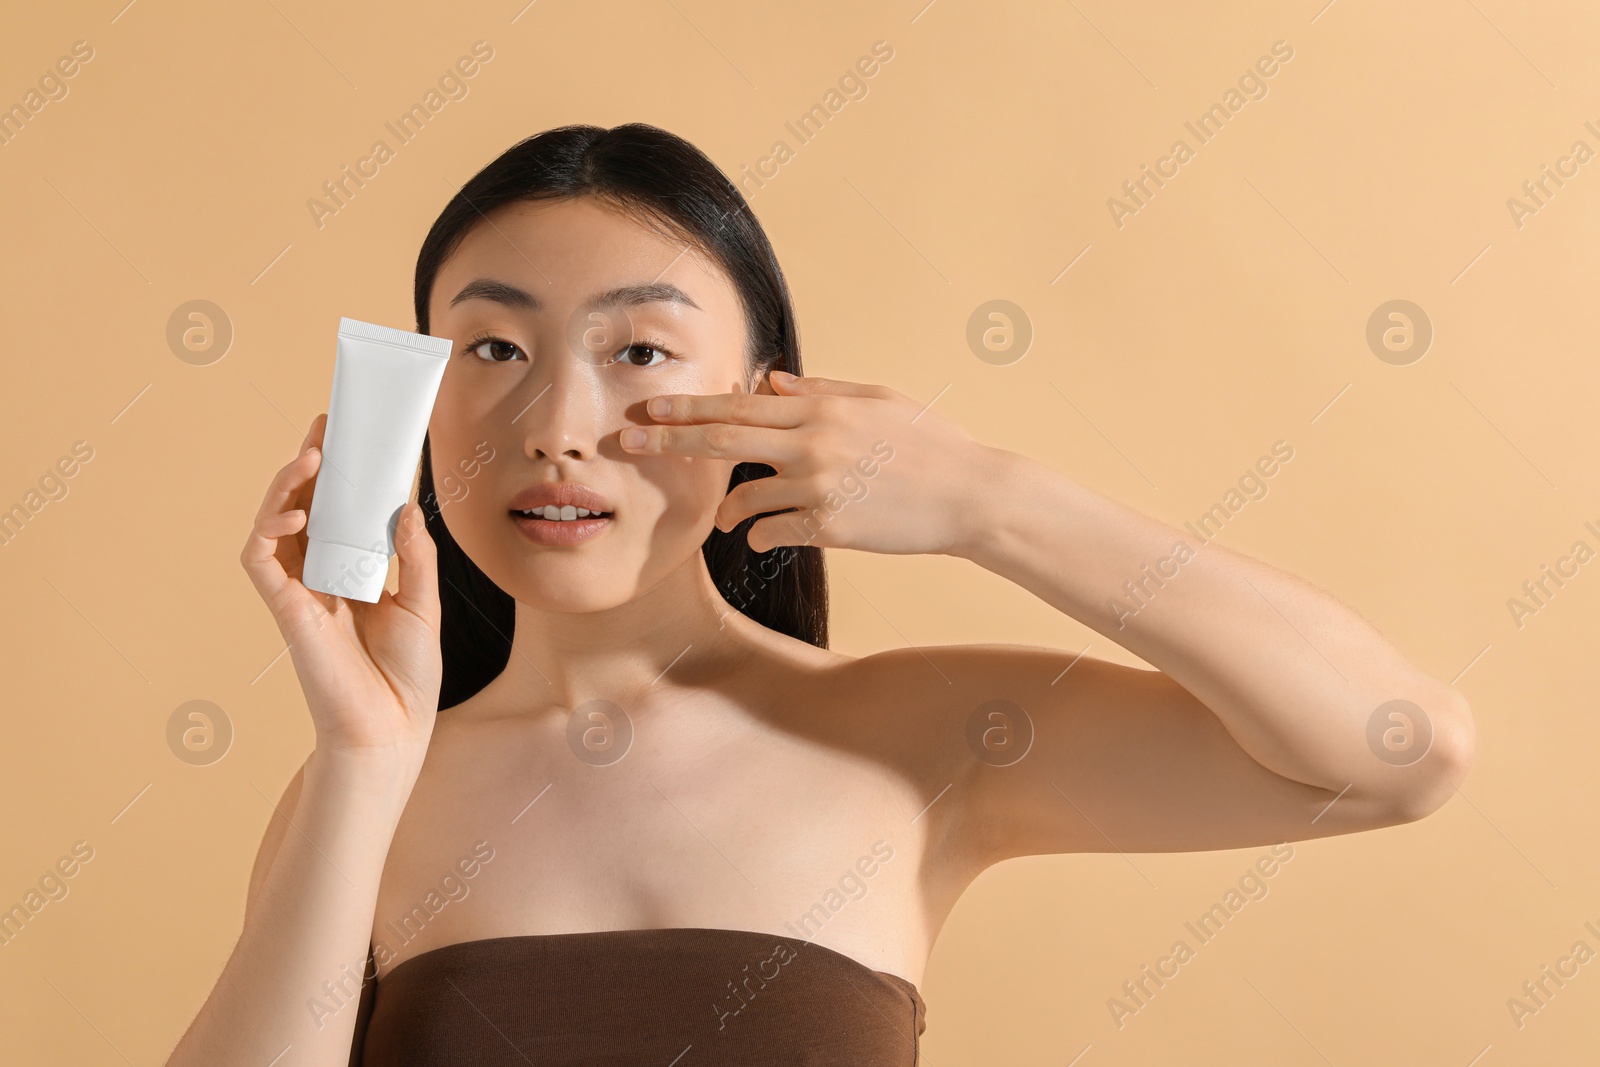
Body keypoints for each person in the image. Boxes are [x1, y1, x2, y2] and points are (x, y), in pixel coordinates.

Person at [166, 123, 1474, 1066]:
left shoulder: (916, 740)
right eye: (495, 347)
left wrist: (987, 499)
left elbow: (1399, 751)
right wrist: (359, 756)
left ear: (770, 402)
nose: (558, 423)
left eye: (639, 350)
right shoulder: (367, 787)